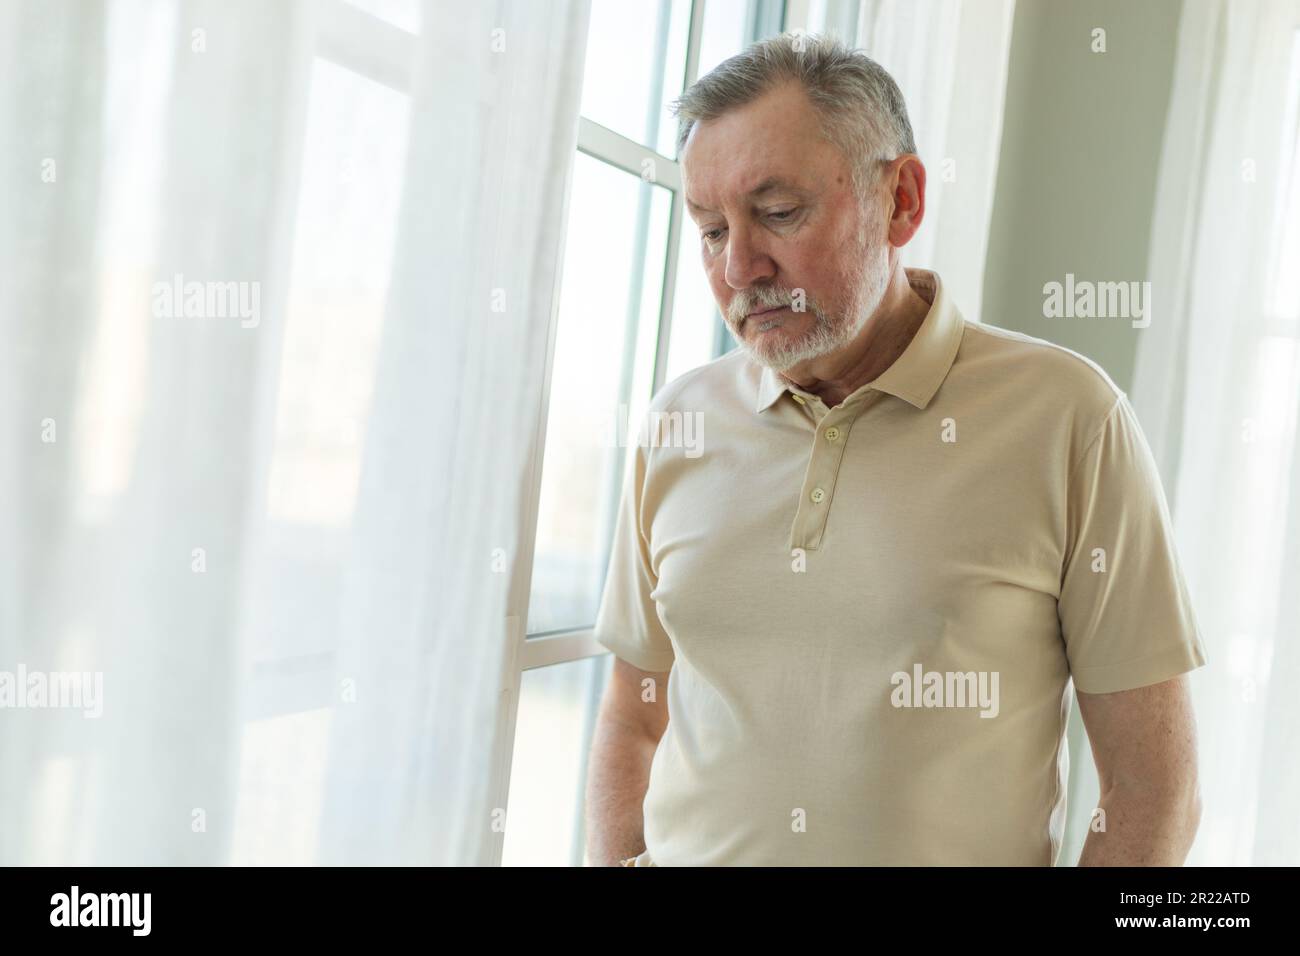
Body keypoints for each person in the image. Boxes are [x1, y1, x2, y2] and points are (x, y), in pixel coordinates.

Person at [584, 32, 1206, 867]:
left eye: (778, 213)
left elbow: (1152, 789)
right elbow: (634, 712)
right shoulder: (677, 424)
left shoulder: (1071, 419)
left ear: (903, 200)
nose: (739, 266)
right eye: (707, 229)